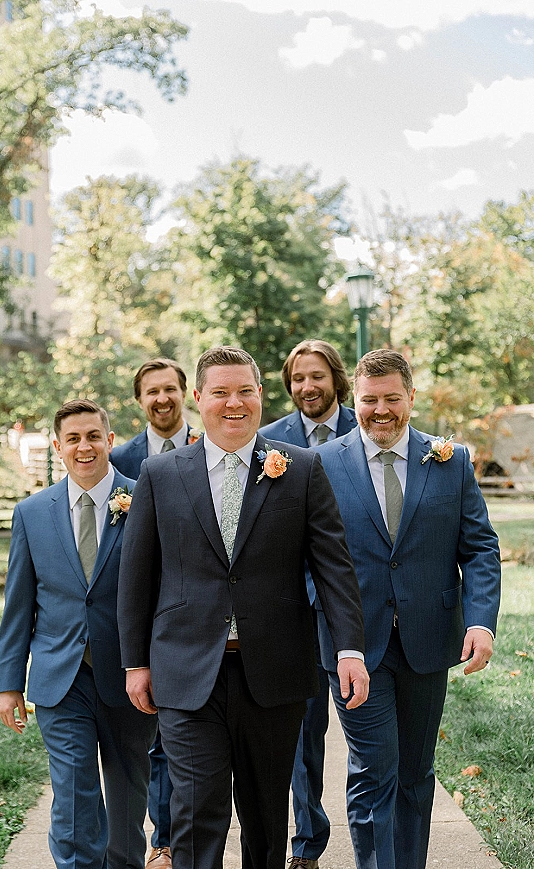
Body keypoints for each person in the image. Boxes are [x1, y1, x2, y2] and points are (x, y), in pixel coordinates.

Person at [117, 346, 369, 869]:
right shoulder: (159, 475)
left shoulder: (300, 469)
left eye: (245, 391)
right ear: (199, 398)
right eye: (221, 392)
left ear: (260, 395)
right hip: (186, 672)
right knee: (194, 814)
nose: (234, 403)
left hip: (274, 673)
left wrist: (349, 648)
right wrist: (135, 663)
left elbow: (334, 568)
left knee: (266, 818)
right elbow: (136, 578)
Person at [316, 349, 501, 869]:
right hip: (354, 647)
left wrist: (481, 619)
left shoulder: (452, 460)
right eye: (370, 400)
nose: (381, 410)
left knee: (417, 774)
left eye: (392, 399)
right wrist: (330, 624)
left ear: (411, 397)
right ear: (355, 399)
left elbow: (480, 547)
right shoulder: (322, 465)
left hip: (428, 640)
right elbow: (307, 558)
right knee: (376, 771)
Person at [0, 399, 157, 869]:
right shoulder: (31, 513)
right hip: (59, 676)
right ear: (58, 447)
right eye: (73, 439)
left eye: (93, 436)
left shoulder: (145, 498)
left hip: (130, 673)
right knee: (72, 790)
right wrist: (9, 683)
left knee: (129, 787)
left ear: (109, 440)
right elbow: (18, 603)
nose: (83, 446)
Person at [258, 339, 357, 869]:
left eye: (316, 376)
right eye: (297, 379)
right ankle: (307, 844)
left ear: (335, 379)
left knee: (362, 727)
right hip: (294, 610)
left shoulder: (366, 429)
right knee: (301, 733)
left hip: (358, 603)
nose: (306, 388)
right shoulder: (269, 441)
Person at [111, 357, 197, 869]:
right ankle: (164, 840)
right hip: (153, 613)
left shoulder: (212, 446)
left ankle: (182, 836)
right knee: (158, 740)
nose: (162, 399)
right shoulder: (121, 462)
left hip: (205, 610)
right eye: (152, 392)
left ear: (184, 392)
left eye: (170, 389)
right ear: (140, 401)